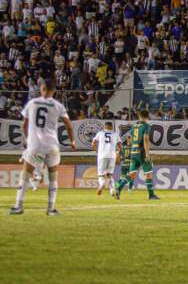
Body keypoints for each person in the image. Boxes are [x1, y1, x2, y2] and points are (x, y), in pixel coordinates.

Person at [10, 79, 75, 215]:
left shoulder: (32, 103)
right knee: (53, 177)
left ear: (42, 88)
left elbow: (24, 125)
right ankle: (51, 209)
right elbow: (69, 125)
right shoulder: (58, 105)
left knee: (25, 175)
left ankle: (18, 206)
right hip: (52, 145)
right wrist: (72, 141)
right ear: (54, 90)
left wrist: (28, 140)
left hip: (35, 145)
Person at [115, 110, 160, 201]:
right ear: (147, 117)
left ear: (139, 116)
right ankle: (151, 195)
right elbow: (145, 138)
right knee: (148, 173)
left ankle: (118, 188)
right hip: (142, 152)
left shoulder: (134, 126)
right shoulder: (146, 126)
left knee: (132, 174)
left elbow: (131, 138)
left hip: (133, 152)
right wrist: (147, 152)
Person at [91, 121, 119, 197]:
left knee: (101, 175)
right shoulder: (115, 134)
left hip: (102, 156)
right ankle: (112, 190)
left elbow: (93, 143)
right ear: (112, 127)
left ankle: (102, 184)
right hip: (112, 156)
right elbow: (120, 145)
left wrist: (97, 151)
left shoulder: (100, 133)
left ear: (104, 126)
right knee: (110, 175)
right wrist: (118, 153)